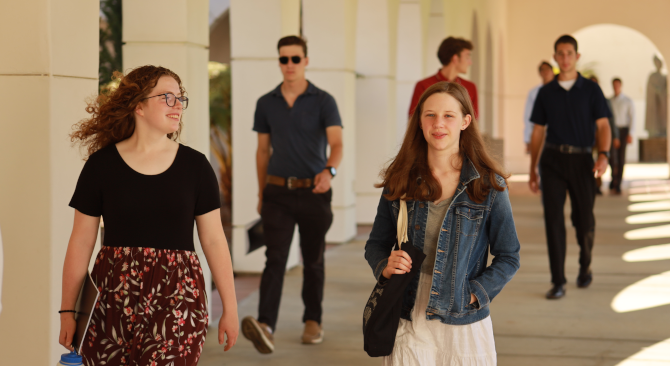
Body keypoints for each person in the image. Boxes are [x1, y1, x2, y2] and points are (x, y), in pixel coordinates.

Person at [59, 65, 239, 365]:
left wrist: (230, 309)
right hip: (111, 299)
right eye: (167, 97)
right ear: (138, 106)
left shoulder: (196, 167)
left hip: (178, 298)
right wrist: (68, 311)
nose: (177, 105)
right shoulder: (101, 166)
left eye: (180, 98)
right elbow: (80, 242)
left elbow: (214, 240)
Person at [366, 82, 520, 365]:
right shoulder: (401, 181)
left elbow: (509, 256)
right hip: (408, 312)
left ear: (465, 121)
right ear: (420, 122)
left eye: (449, 115)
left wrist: (474, 294)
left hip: (462, 318)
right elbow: (375, 244)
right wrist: (384, 267)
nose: (438, 124)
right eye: (430, 115)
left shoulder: (487, 186)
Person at [241, 36, 343, 353]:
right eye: (283, 59)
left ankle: (313, 321)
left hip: (314, 192)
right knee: (275, 260)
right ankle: (265, 325)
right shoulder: (266, 102)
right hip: (277, 193)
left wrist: (329, 172)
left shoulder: (324, 101)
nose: (289, 65)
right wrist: (261, 192)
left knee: (313, 261)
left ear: (306, 61)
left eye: (295, 59)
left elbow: (337, 144)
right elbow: (262, 151)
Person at [528, 35, 612, 300]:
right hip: (552, 161)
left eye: (569, 53)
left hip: (582, 161)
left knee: (584, 220)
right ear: (555, 58)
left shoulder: (591, 90)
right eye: (560, 54)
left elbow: (603, 126)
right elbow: (538, 132)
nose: (564, 58)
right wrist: (532, 168)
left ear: (577, 56)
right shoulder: (546, 92)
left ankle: (585, 264)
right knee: (553, 221)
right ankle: (558, 281)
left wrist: (604, 155)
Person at [408, 37, 479, 119]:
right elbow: (413, 119)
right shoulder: (423, 85)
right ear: (455, 58)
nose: (470, 62)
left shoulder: (470, 87)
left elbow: (474, 121)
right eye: (467, 57)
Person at [609, 78, 636, 194]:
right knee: (611, 157)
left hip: (623, 130)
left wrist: (630, 133)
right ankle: (613, 178)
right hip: (611, 131)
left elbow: (632, 118)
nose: (616, 87)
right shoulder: (609, 101)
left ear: (621, 86)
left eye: (617, 85)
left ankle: (618, 183)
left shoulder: (627, 101)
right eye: (614, 85)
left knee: (621, 158)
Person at [523, 61, 556, 154]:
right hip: (540, 132)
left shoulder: (560, 90)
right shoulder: (534, 92)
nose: (545, 72)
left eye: (547, 69)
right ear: (540, 73)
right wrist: (528, 139)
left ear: (552, 71)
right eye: (543, 70)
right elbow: (528, 116)